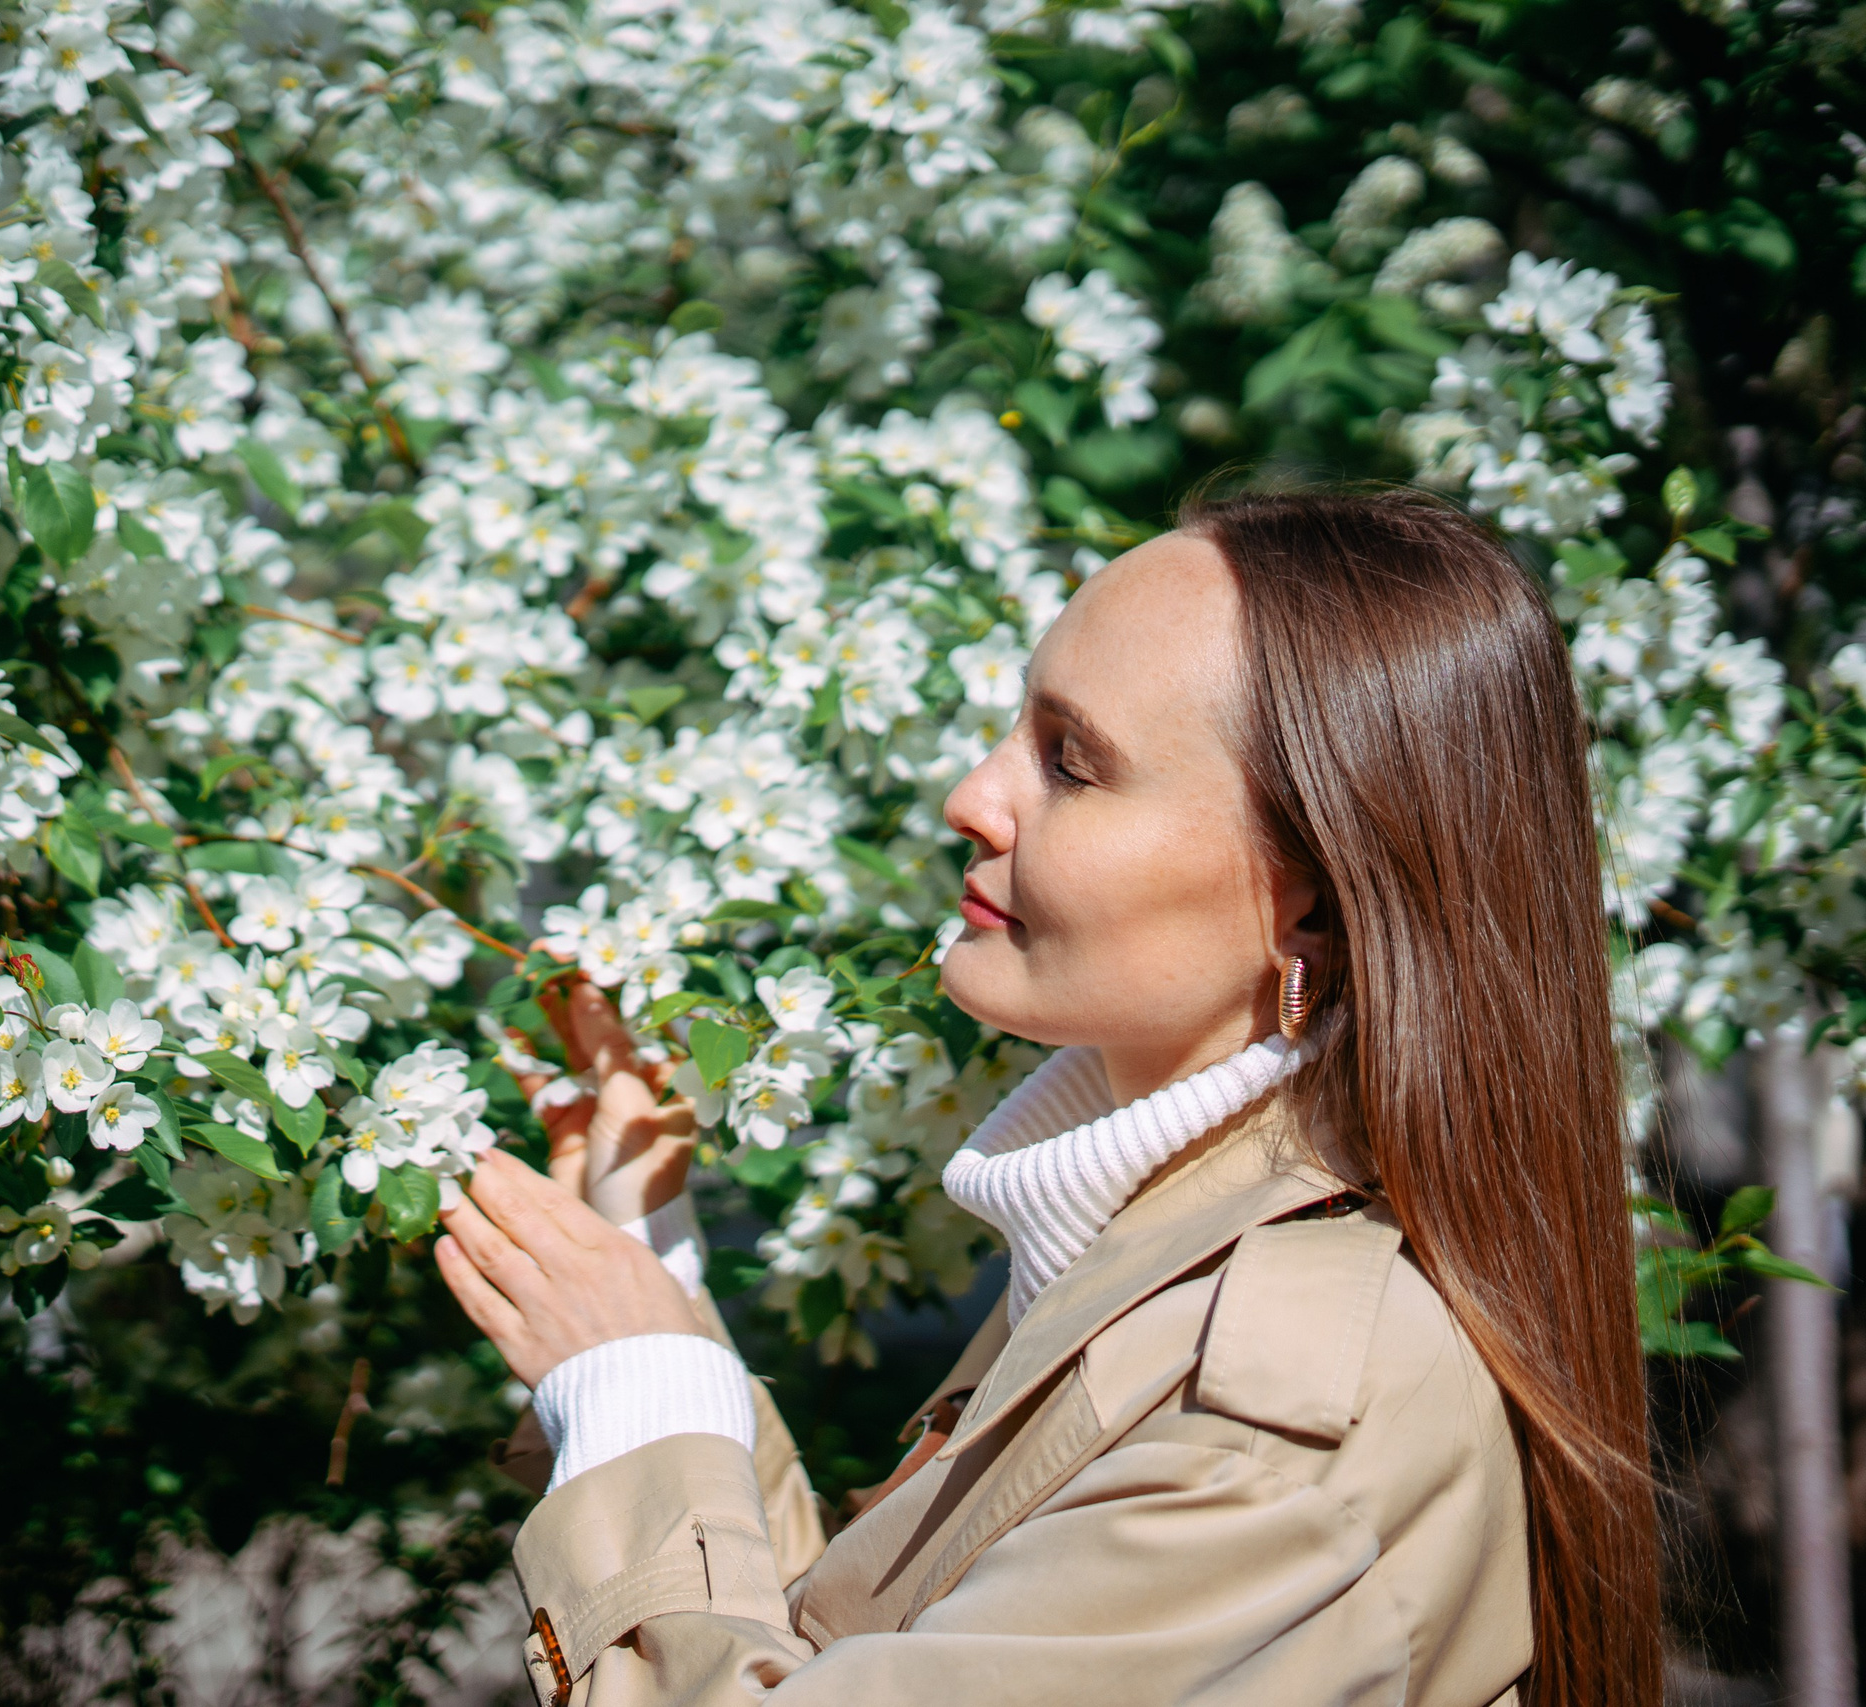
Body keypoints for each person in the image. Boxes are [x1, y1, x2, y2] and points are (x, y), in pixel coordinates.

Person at [434, 488, 1660, 1707]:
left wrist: (640, 1394)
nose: (970, 796)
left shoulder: (1271, 1433)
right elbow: (870, 1654)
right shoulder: (1144, 1247)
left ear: (1316, 902)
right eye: (1015, 731)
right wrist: (654, 1294)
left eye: (1072, 764)